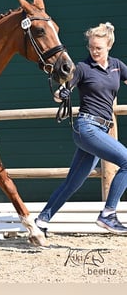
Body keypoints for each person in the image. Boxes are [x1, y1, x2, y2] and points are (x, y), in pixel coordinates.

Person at [35, 22, 127, 236]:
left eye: (99, 48)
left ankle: (41, 221)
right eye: (91, 47)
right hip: (87, 127)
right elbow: (60, 93)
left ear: (109, 46)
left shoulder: (117, 66)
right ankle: (108, 214)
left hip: (101, 131)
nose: (94, 51)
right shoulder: (83, 68)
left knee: (73, 183)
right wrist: (62, 94)